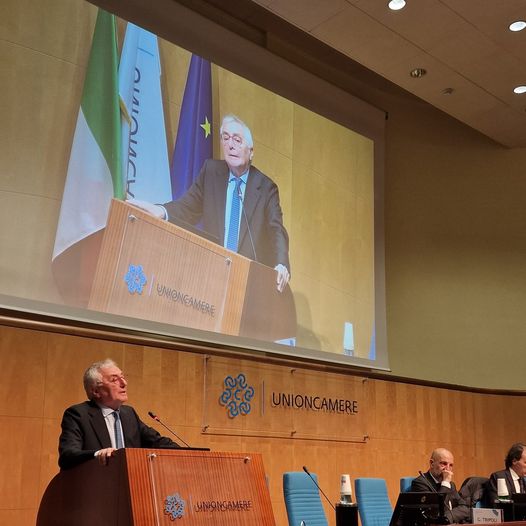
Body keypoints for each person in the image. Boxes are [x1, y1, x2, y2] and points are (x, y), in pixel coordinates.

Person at [128, 114, 290, 292]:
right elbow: (187, 208)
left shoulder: (266, 188)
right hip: (209, 275)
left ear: (251, 152)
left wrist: (281, 263)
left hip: (245, 282)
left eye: (237, 140)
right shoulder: (211, 172)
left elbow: (276, 230)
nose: (230, 145)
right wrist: (162, 210)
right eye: (226, 138)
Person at [58, 358, 179, 470]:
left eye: (123, 377)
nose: (124, 383)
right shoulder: (78, 414)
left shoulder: (129, 414)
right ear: (96, 391)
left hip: (130, 481)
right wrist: (97, 454)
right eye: (114, 379)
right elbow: (67, 456)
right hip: (97, 482)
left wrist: (187, 452)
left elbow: (158, 442)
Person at [411, 447, 471, 524]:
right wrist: (445, 483)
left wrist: (448, 518)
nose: (447, 469)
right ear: (432, 463)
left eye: (451, 465)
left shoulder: (451, 485)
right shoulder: (420, 483)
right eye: (444, 464)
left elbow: (465, 508)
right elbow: (434, 512)